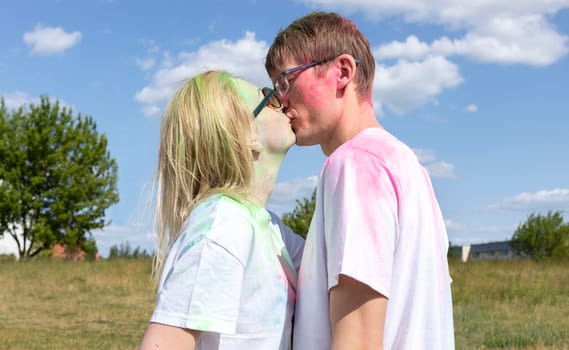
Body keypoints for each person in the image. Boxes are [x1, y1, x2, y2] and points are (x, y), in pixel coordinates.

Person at [265, 11, 455, 349]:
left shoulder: (355, 164)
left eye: (286, 80)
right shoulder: (410, 168)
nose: (281, 102)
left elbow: (360, 341)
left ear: (342, 72)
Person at [139, 70, 304, 350]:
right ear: (247, 135)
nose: (283, 101)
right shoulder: (222, 223)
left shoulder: (265, 226)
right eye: (269, 98)